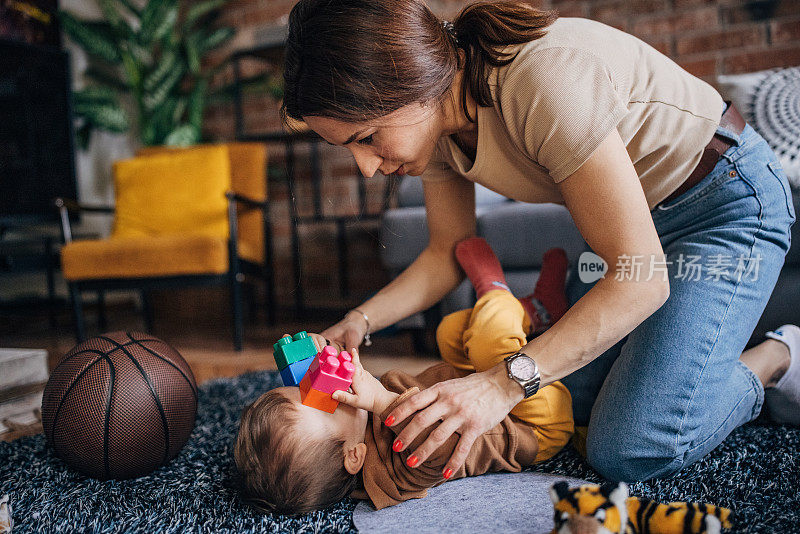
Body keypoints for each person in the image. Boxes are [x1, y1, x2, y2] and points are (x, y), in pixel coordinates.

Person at [281, 0, 799, 483]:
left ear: (405, 83)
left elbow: (640, 282)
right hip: (641, 237)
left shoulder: (543, 81)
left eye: (365, 138)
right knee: (562, 401)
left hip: (724, 207)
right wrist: (360, 320)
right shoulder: (435, 129)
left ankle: (777, 357)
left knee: (630, 445)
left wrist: (499, 385)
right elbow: (446, 253)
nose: (367, 169)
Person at [233, 241, 573, 514]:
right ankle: (496, 292)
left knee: (450, 332)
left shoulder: (357, 429)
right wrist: (381, 400)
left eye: (304, 386)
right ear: (354, 456)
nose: (326, 385)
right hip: (530, 421)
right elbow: (440, 448)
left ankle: (538, 310)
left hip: (478, 385)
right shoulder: (396, 474)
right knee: (488, 338)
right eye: (325, 401)